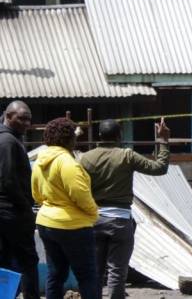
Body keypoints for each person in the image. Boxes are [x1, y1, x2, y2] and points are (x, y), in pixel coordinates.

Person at [80, 118, 170, 299]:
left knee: (95, 272)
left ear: (99, 136)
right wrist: (163, 142)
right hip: (120, 222)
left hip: (94, 221)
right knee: (117, 272)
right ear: (119, 136)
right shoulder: (127, 156)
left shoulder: (85, 158)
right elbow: (159, 168)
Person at [32, 118, 99, 299]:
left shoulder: (40, 162)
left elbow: (37, 194)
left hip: (46, 223)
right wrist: (94, 214)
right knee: (87, 276)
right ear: (70, 139)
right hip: (72, 226)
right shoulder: (68, 163)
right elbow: (81, 195)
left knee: (55, 274)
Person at [0, 101, 40, 299]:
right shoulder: (7, 141)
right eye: (21, 118)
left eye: (29, 119)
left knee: (6, 261)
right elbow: (8, 179)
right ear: (8, 116)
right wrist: (25, 207)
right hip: (12, 211)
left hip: (9, 210)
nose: (27, 123)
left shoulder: (11, 139)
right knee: (28, 261)